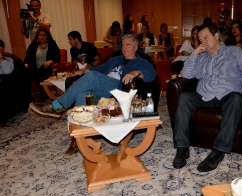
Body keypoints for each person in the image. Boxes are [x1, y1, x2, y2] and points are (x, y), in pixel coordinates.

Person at [29, 34, 157, 158]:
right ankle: (79, 138)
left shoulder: (141, 61)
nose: (124, 47)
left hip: (119, 88)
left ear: (135, 47)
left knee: (92, 77)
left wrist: (136, 72)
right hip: (103, 89)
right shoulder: (115, 59)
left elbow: (152, 73)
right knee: (83, 94)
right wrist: (85, 70)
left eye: (128, 45)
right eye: (123, 45)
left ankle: (57, 105)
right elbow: (100, 69)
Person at [172, 24, 242, 172]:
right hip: (205, 95)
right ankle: (182, 148)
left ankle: (218, 151)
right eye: (201, 40)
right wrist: (195, 54)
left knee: (236, 99)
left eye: (206, 38)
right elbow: (187, 74)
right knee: (184, 97)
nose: (203, 42)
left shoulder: (234, 51)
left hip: (227, 95)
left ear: (216, 36)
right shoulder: (201, 57)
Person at [24, 27, 60, 102]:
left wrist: (50, 61)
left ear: (47, 37)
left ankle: (43, 97)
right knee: (26, 74)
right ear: (37, 36)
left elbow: (58, 57)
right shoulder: (33, 45)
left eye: (44, 35)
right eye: (40, 35)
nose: (42, 37)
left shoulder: (52, 45)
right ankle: (27, 98)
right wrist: (26, 64)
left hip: (46, 68)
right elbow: (27, 57)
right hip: (33, 67)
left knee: (38, 74)